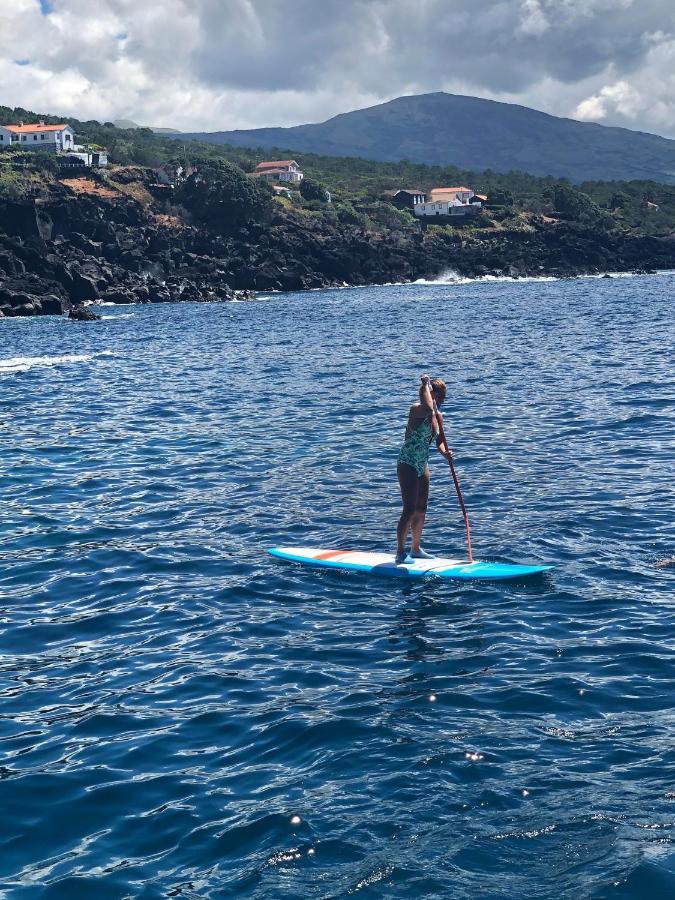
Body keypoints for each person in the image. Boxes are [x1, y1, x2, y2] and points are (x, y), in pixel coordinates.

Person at [395, 375, 453, 564]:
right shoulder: (417, 410)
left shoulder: (438, 417)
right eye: (439, 398)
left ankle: (416, 549)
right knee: (409, 509)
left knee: (421, 509)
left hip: (422, 463)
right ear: (431, 395)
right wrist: (424, 386)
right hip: (407, 462)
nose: (440, 403)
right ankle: (400, 552)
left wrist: (445, 453)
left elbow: (440, 442)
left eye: (443, 399)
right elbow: (428, 407)